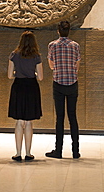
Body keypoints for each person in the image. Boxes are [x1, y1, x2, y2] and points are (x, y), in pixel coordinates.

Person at [45, 21, 81, 159]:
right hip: (72, 83)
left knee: (60, 118)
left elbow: (51, 66)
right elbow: (77, 66)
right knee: (73, 116)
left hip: (58, 83)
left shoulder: (52, 45)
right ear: (69, 31)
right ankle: (75, 151)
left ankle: (58, 150)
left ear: (58, 31)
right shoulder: (75, 46)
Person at [8, 31, 43, 162]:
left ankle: (17, 153)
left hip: (18, 87)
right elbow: (40, 77)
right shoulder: (36, 56)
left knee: (19, 121)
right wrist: (31, 72)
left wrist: (18, 72)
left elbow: (9, 75)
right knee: (29, 122)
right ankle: (28, 153)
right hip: (32, 87)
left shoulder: (14, 55)